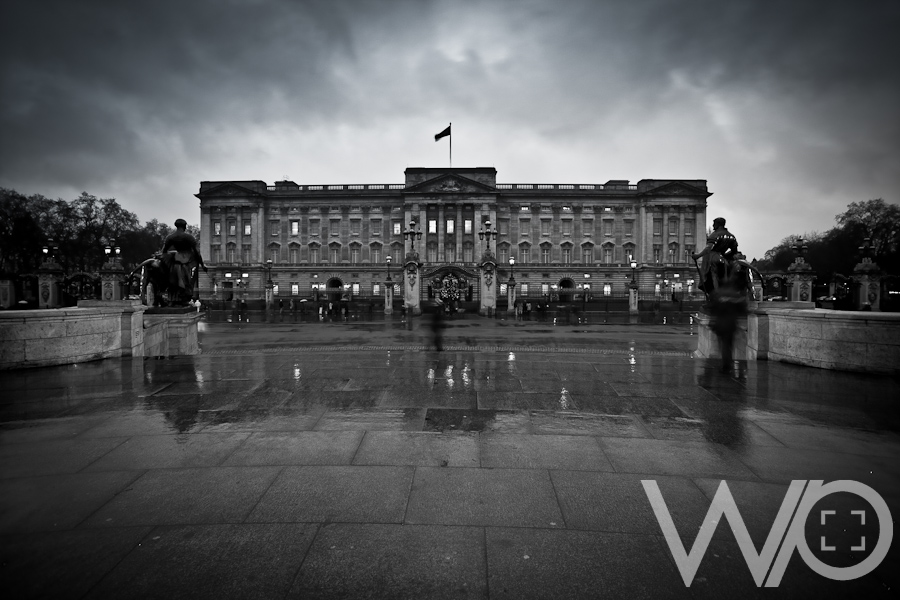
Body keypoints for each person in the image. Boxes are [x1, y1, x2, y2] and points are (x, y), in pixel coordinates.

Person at [161, 219, 207, 304]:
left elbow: (163, 251)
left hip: (176, 258)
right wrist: (202, 265)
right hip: (186, 259)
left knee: (173, 276)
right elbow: (197, 253)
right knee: (188, 279)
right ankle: (184, 296)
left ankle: (173, 298)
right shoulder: (189, 237)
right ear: (185, 226)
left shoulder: (170, 237)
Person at [692, 217, 738, 299]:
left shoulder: (715, 234)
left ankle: (716, 297)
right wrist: (724, 256)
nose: (713, 226)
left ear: (718, 224)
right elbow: (734, 251)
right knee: (723, 278)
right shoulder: (731, 236)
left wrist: (698, 256)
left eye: (714, 224)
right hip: (723, 259)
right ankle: (723, 295)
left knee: (711, 277)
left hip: (711, 258)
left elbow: (708, 248)